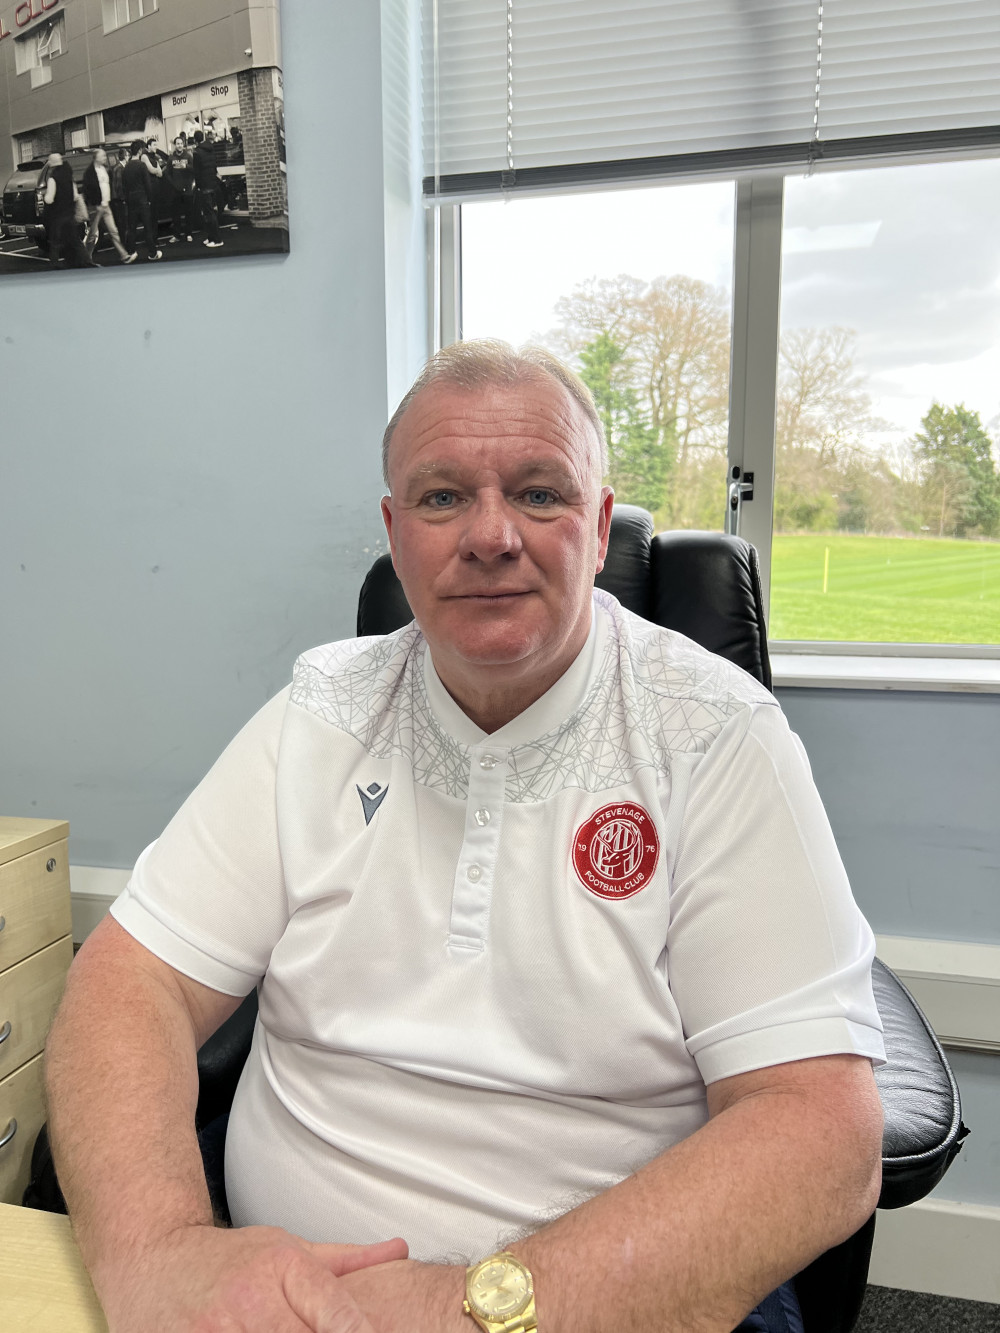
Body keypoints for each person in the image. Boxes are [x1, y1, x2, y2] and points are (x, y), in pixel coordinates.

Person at [45, 341, 885, 1333]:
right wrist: (161, 1251)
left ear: (600, 522)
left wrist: (476, 1309)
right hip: (282, 1304)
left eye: (538, 493)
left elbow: (821, 1125)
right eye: (443, 498)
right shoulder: (320, 712)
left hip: (609, 1307)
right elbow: (127, 979)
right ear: (396, 535)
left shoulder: (712, 734)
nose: (490, 536)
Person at [42, 153, 95, 269]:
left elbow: (50, 199)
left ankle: (54, 265)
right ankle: (87, 261)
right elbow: (75, 196)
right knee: (75, 240)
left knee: (55, 242)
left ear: (51, 164)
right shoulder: (69, 175)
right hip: (69, 214)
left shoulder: (53, 178)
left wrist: (45, 197)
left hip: (57, 215)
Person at [82, 149, 135, 264]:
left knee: (113, 231)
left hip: (106, 205)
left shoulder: (104, 169)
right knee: (93, 234)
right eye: (103, 156)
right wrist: (96, 204)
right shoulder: (90, 173)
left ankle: (124, 255)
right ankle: (86, 258)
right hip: (96, 207)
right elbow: (88, 190)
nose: (105, 158)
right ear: (96, 157)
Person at [122, 140, 161, 262]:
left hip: (131, 200)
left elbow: (124, 186)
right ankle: (152, 253)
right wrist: (149, 199)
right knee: (147, 227)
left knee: (132, 228)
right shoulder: (141, 165)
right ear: (139, 151)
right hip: (142, 199)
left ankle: (131, 252)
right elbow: (147, 184)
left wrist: (127, 200)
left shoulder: (126, 167)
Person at [191, 130, 224, 247]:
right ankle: (210, 237)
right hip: (212, 184)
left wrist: (198, 187)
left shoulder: (197, 152)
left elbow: (197, 172)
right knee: (211, 212)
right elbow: (214, 166)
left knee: (208, 213)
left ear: (195, 140)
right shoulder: (211, 148)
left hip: (204, 186)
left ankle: (217, 240)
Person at [166, 134, 199, 243]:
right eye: (177, 144)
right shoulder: (171, 158)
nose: (179, 146)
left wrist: (187, 167)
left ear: (183, 144)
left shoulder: (188, 156)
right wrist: (173, 184)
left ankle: (189, 234)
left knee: (189, 212)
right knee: (176, 214)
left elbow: (195, 170)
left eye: (181, 143)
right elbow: (168, 173)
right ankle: (177, 235)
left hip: (187, 190)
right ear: (175, 145)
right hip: (175, 190)